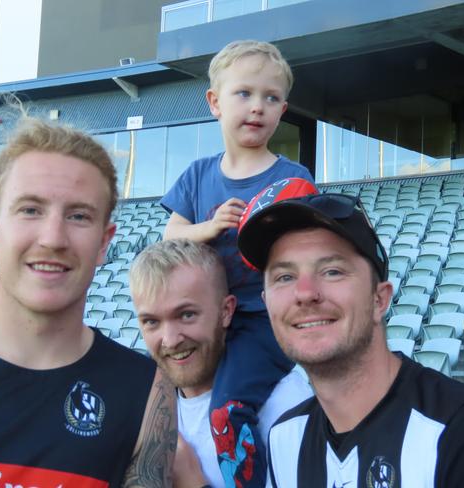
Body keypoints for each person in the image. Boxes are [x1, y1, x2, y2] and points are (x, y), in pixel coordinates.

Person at [0, 117, 176, 487]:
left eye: (78, 216)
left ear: (105, 242)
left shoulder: (145, 392)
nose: (53, 238)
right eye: (30, 209)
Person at [237, 192, 464, 487]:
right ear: (266, 302)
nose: (304, 293)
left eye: (332, 271)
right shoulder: (285, 439)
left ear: (379, 299)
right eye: (284, 277)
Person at [160, 40, 314, 486]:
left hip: (259, 320)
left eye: (270, 98)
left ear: (282, 109)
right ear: (214, 102)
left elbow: (304, 252)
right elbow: (170, 237)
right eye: (243, 93)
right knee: (149, 401)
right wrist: (205, 229)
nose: (257, 107)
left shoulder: (292, 179)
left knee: (228, 409)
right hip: (206, 318)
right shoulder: (197, 175)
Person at [129, 239, 313, 488]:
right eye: (151, 322)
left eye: (187, 315)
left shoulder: (287, 403)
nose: (170, 341)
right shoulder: (144, 404)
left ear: (226, 311)